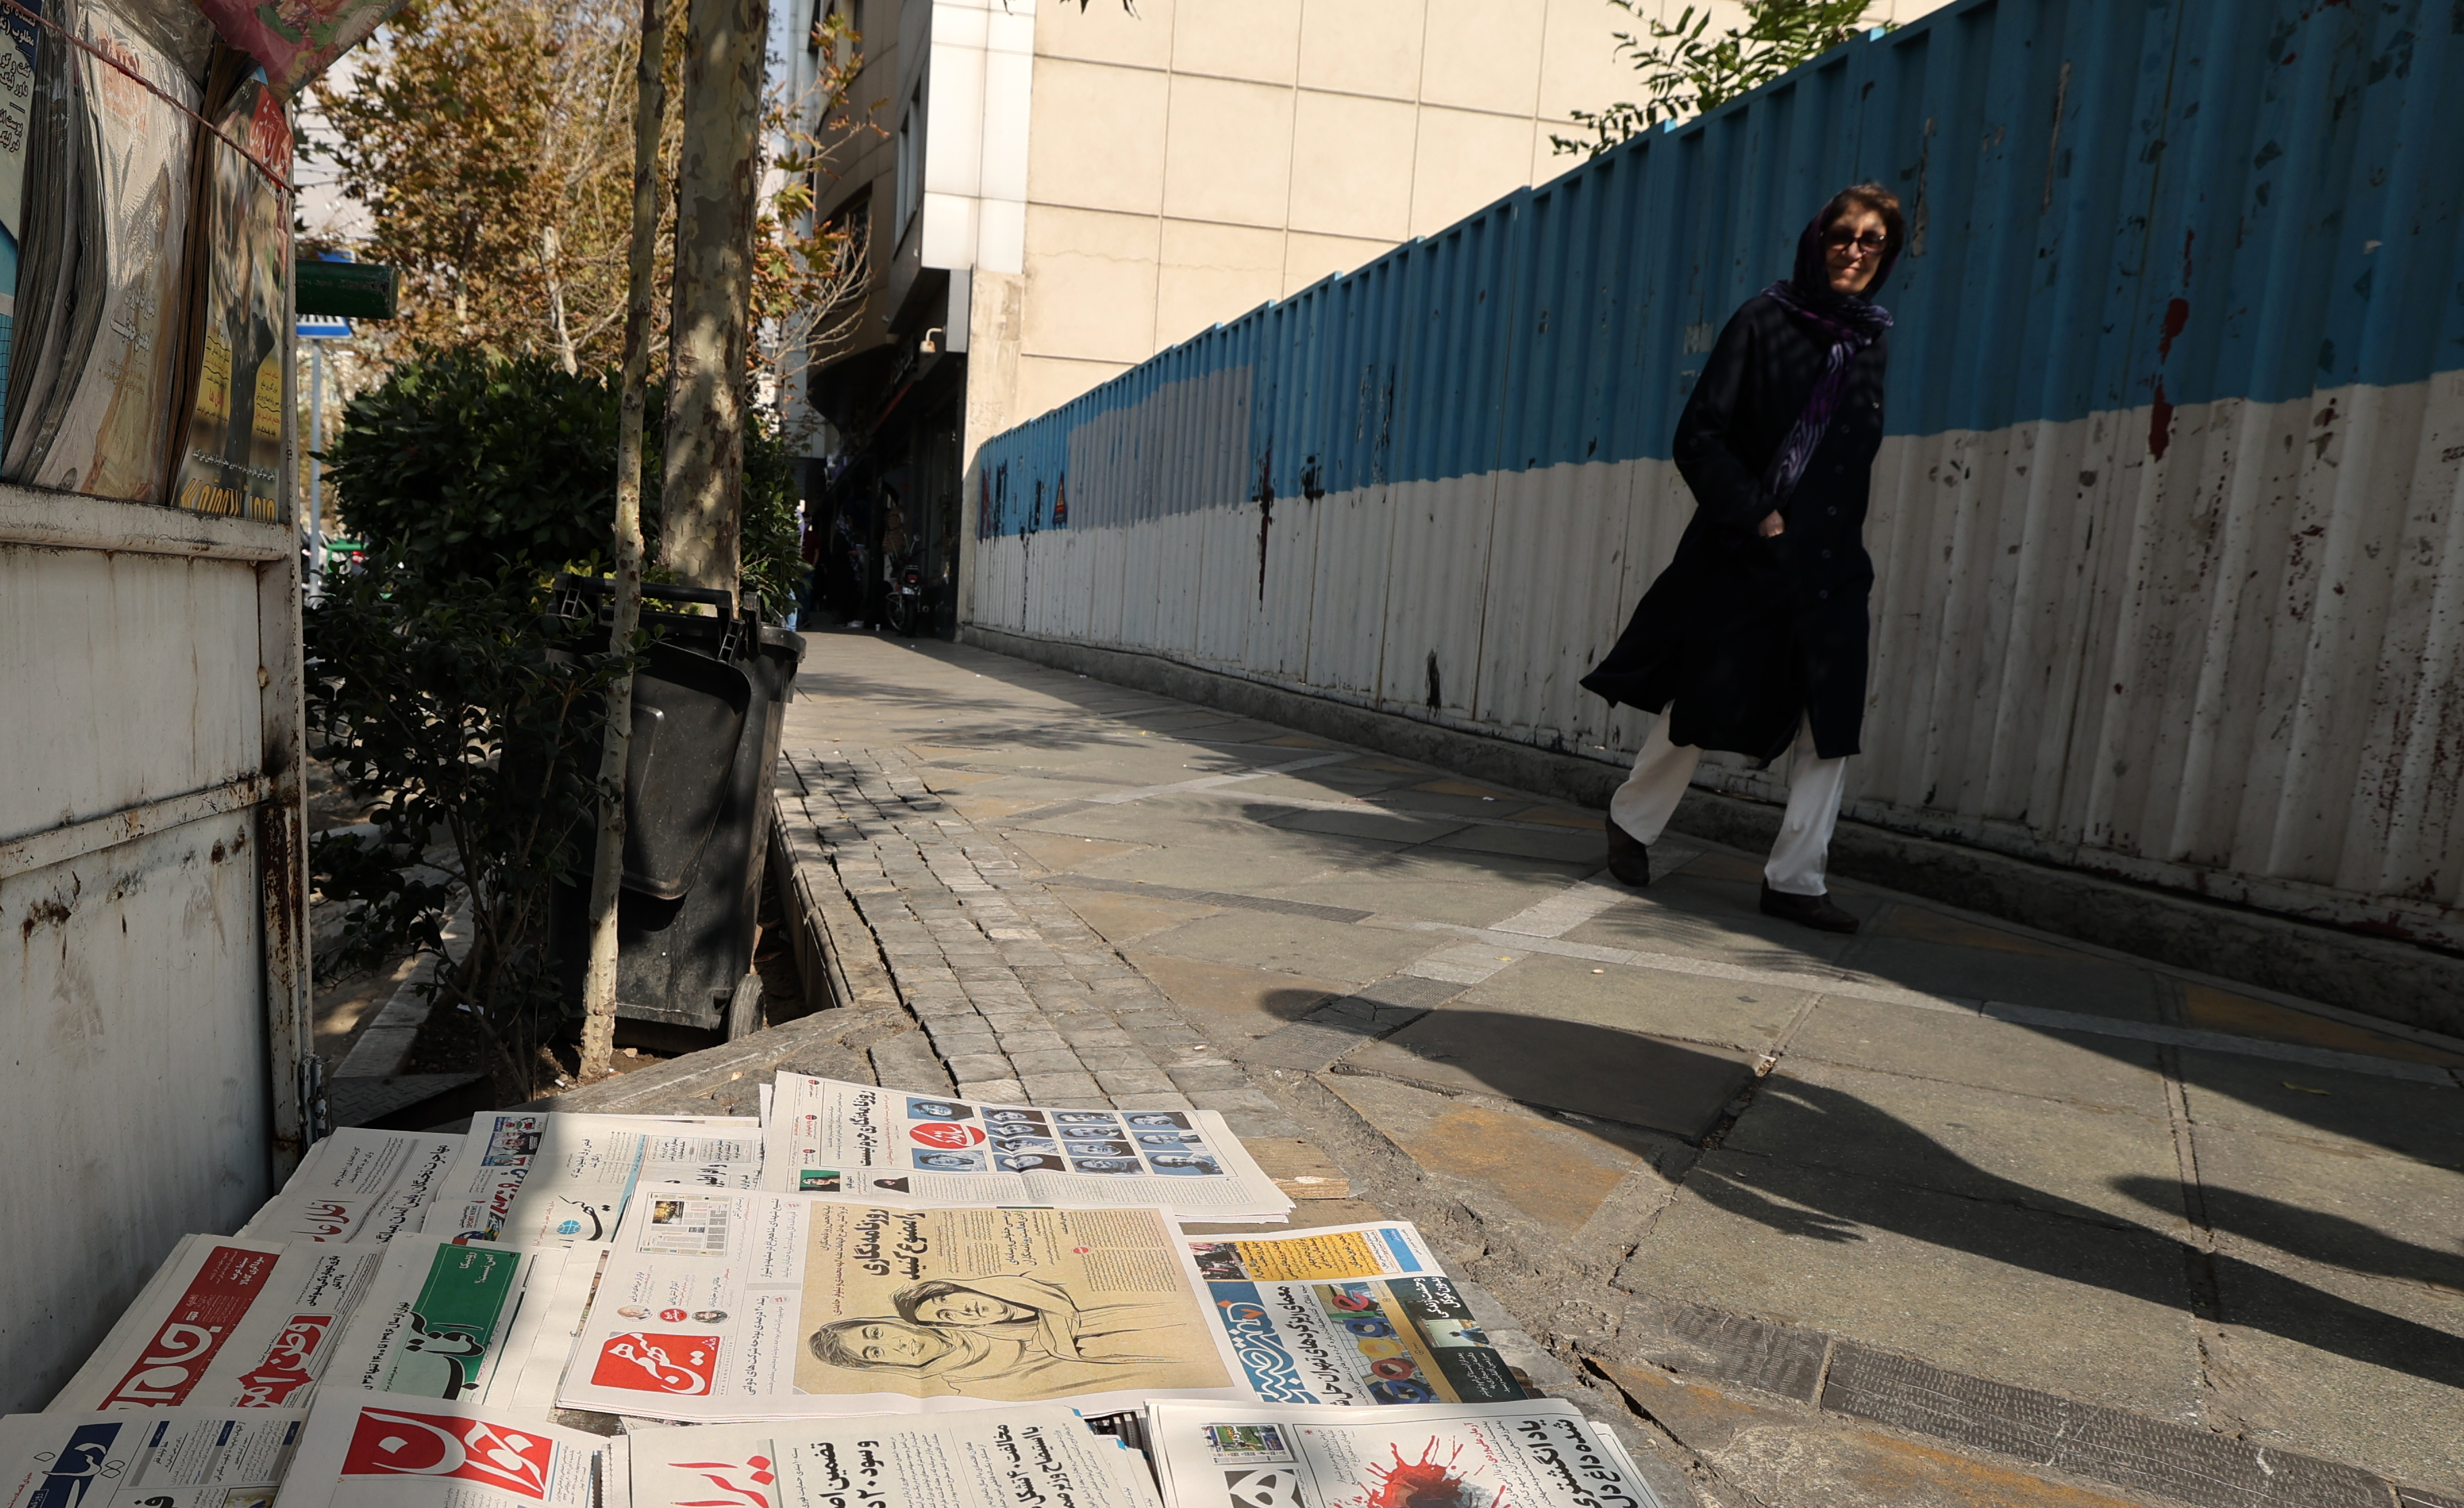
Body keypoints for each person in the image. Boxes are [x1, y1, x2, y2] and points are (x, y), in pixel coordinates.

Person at [1581, 183, 1903, 934]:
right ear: (1816, 238)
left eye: (1872, 242)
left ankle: (1796, 877)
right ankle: (1631, 820)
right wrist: (1760, 516)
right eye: (1842, 236)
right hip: (1749, 551)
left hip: (1831, 567)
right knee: (1703, 697)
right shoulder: (1764, 320)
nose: (1854, 251)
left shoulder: (1870, 341)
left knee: (1833, 720)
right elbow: (1699, 435)